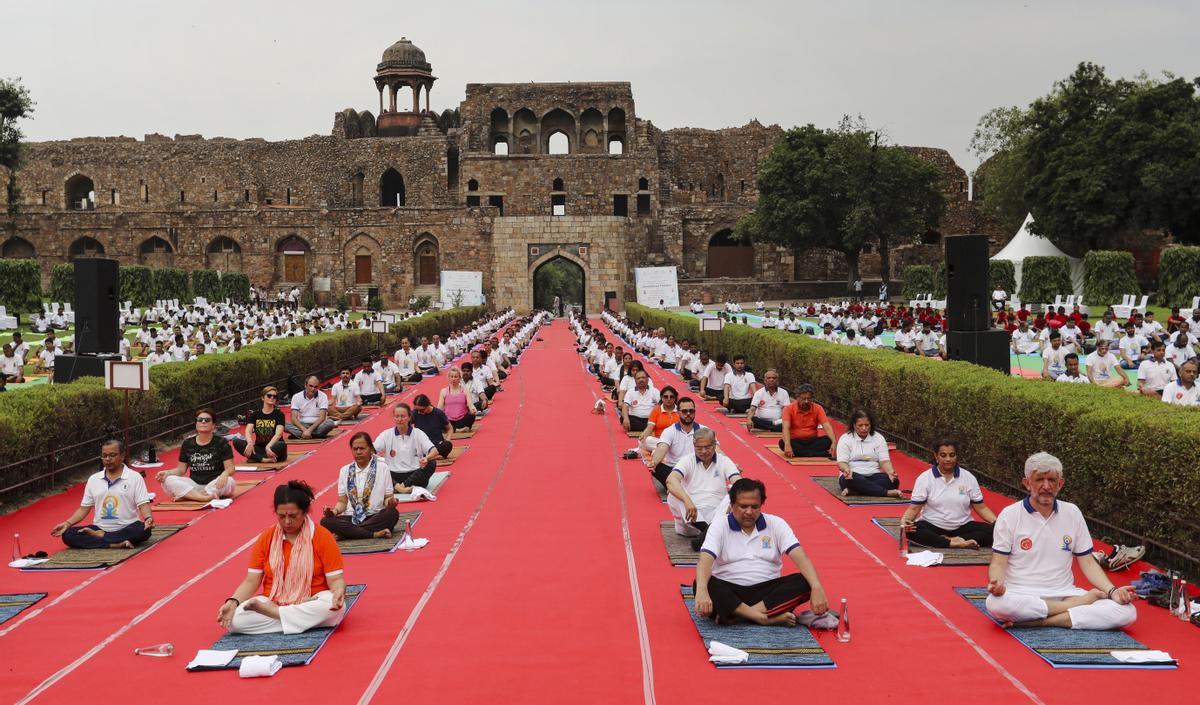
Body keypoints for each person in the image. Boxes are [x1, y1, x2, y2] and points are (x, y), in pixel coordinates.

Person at [984, 452, 1136, 630]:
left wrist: (1113, 591)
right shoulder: (1010, 514)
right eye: (1040, 479)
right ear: (1027, 483)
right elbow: (998, 562)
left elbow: (1087, 562)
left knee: (1127, 612)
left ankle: (1041, 621)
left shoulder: (1072, 512)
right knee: (996, 604)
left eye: (1052, 480)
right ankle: (1072, 609)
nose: (1046, 486)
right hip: (1021, 593)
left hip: (1064, 593)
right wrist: (997, 584)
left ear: (1060, 484)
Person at [217, 480, 347, 635]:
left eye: (293, 515)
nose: (287, 521)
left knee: (334, 607)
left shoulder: (322, 537)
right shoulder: (267, 538)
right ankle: (295, 618)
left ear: (305, 512)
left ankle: (277, 613)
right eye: (281, 516)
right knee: (235, 620)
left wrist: (339, 591)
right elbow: (252, 580)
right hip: (273, 599)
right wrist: (232, 602)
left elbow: (335, 579)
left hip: (313, 598)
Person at [694, 478, 829, 626]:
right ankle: (763, 618)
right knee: (702, 584)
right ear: (732, 505)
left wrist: (817, 587)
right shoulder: (720, 525)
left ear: (761, 505)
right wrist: (701, 590)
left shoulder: (776, 524)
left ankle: (738, 615)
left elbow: (801, 557)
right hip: (731, 591)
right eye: (743, 506)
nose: (749, 512)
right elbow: (705, 560)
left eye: (755, 507)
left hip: (767, 594)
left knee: (806, 581)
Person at [50, 440, 154, 549]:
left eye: (112, 455)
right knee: (68, 535)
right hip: (98, 528)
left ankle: (103, 538)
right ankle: (113, 543)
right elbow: (84, 508)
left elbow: (143, 504)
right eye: (104, 456)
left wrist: (148, 519)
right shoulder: (93, 479)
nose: (108, 459)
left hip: (127, 527)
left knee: (143, 530)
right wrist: (67, 523)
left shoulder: (134, 477)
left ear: (122, 456)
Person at [899, 438, 995, 548]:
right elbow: (914, 508)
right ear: (936, 456)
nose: (948, 459)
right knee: (912, 531)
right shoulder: (925, 478)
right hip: (932, 525)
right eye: (943, 455)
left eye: (952, 455)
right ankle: (952, 543)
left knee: (994, 532)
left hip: (962, 527)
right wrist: (904, 522)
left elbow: (981, 508)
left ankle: (953, 541)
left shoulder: (969, 477)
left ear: (956, 456)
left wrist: (997, 523)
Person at [666, 428, 740, 550]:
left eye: (707, 447)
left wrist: (734, 497)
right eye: (699, 448)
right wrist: (687, 500)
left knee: (735, 493)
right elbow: (671, 479)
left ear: (715, 444)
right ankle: (711, 534)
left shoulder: (724, 461)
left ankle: (706, 534)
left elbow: (738, 480)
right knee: (672, 493)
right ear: (694, 445)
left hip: (716, 516)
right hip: (690, 518)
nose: (704, 451)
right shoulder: (687, 460)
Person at [320, 432, 402, 540]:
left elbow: (387, 498)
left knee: (392, 514)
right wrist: (333, 511)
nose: (358, 452)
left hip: (374, 516)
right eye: (355, 449)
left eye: (362, 448)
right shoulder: (345, 470)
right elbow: (342, 502)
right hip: (351, 517)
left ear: (371, 449)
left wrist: (391, 503)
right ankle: (374, 534)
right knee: (325, 521)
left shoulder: (383, 468)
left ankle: (347, 533)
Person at [157, 408, 236, 502]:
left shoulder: (221, 442)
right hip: (194, 484)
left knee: (229, 481)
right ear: (196, 424)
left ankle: (190, 495)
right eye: (200, 420)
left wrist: (224, 474)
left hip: (216, 483)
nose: (203, 422)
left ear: (213, 425)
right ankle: (203, 497)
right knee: (168, 480)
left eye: (207, 420)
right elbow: (181, 470)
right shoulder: (187, 443)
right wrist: (168, 473)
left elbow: (230, 468)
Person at [374, 403, 439, 495]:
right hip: (393, 476)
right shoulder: (386, 434)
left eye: (403, 416)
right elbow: (372, 449)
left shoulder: (418, 433)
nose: (399, 419)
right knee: (374, 465)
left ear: (409, 417)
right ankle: (401, 489)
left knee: (432, 463)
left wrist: (427, 458)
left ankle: (400, 488)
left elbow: (434, 451)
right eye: (397, 416)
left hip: (415, 475)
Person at [834, 408, 900, 498]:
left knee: (894, 482)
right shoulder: (845, 439)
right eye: (860, 425)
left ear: (871, 425)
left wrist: (891, 472)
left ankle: (856, 491)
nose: (864, 428)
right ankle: (886, 493)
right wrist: (846, 470)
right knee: (851, 480)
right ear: (854, 425)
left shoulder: (879, 438)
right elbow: (842, 462)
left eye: (867, 425)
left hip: (873, 474)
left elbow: (884, 461)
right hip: (853, 475)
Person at [647, 397, 704, 488]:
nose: (688, 414)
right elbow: (661, 449)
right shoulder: (669, 431)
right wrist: (654, 462)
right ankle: (679, 485)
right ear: (678, 412)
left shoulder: (704, 430)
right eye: (685, 411)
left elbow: (715, 449)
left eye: (691, 411)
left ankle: (675, 487)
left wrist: (727, 462)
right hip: (674, 469)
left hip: (696, 469)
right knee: (657, 468)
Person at [779, 384, 836, 458]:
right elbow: (785, 428)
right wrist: (787, 445)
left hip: (812, 441)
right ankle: (816, 453)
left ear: (812, 399)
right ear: (798, 398)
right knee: (782, 443)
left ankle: (804, 453)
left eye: (809, 399)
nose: (806, 401)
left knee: (829, 440)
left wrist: (834, 442)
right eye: (803, 398)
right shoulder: (788, 409)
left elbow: (827, 426)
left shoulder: (818, 408)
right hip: (795, 441)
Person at [233, 386, 289, 463]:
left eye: (275, 396)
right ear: (263, 398)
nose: (272, 398)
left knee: (282, 445)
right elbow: (248, 431)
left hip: (273, 447)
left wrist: (268, 447)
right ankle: (263, 459)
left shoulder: (279, 414)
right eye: (269, 396)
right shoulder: (255, 414)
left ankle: (256, 458)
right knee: (237, 442)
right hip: (259, 448)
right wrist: (249, 443)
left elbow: (278, 434)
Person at [639, 385, 680, 455]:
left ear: (675, 398)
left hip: (676, 441)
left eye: (671, 397)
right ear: (661, 397)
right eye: (666, 397)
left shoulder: (680, 410)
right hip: (659, 440)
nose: (669, 399)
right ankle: (665, 451)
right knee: (644, 440)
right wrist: (644, 434)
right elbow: (650, 427)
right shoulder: (656, 410)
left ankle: (660, 451)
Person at [412, 394, 454, 459]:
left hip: (436, 444)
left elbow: (450, 428)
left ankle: (430, 456)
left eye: (421, 410)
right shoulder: (414, 413)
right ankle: (431, 456)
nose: (419, 412)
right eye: (417, 410)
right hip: (421, 445)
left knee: (447, 445)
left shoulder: (438, 413)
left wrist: (447, 440)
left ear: (428, 405)